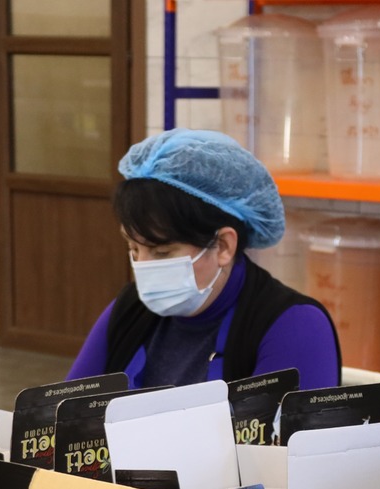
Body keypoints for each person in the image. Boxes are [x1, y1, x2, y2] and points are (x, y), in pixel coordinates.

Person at [68, 129, 340, 392]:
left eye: (162, 253)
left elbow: (286, 424)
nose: (144, 267)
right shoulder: (130, 311)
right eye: (134, 249)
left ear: (223, 246)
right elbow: (67, 407)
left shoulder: (294, 325)